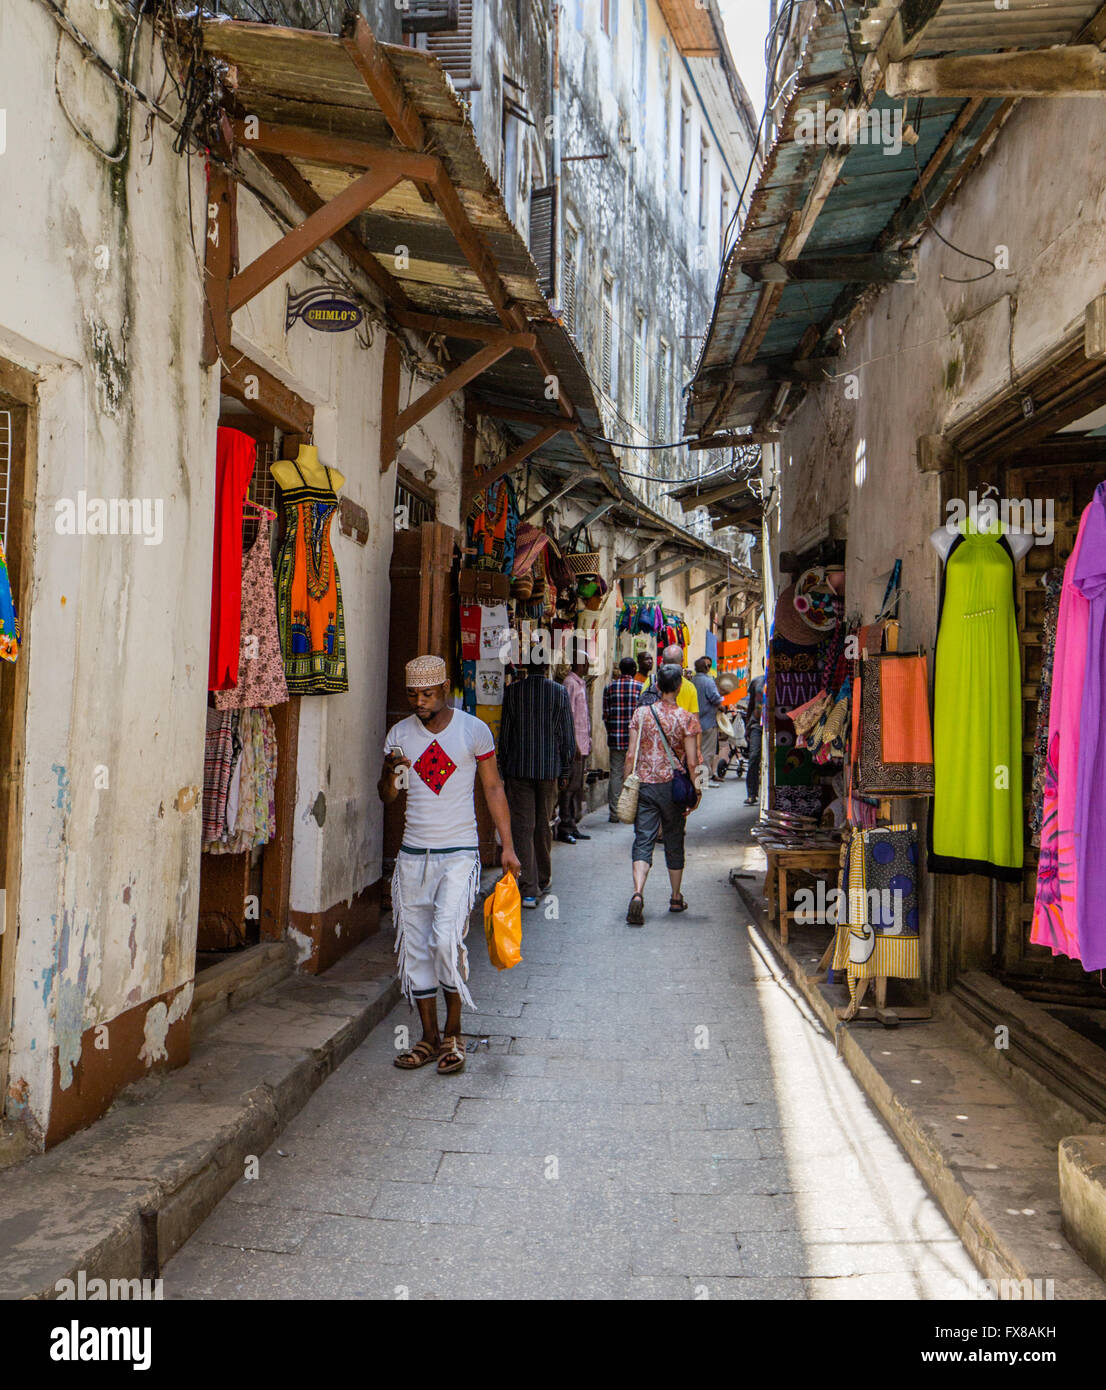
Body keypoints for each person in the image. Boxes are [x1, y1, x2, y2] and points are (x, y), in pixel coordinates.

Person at [379, 655, 521, 1076]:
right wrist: (389, 773)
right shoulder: (400, 735)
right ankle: (428, 1036)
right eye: (412, 695)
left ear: (444, 689)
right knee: (416, 947)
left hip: (459, 854)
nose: (419, 702)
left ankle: (454, 1032)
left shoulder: (473, 730)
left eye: (427, 694)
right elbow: (389, 796)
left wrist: (508, 846)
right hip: (412, 857)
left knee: (445, 940)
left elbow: (493, 787)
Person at [624, 664, 704, 925]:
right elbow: (692, 762)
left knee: (643, 839)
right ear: (679, 687)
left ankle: (638, 892)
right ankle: (676, 897)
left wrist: (628, 783)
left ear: (657, 686)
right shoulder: (687, 719)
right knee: (674, 838)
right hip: (674, 788)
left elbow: (630, 754)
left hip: (646, 784)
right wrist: (697, 790)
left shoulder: (641, 714)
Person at [497, 657, 576, 907]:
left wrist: (502, 768)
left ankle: (529, 889)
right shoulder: (558, 692)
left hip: (518, 769)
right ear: (546, 667)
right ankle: (543, 878)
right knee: (543, 824)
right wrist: (565, 770)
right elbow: (567, 735)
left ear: (526, 666)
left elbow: (506, 734)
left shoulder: (513, 692)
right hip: (549, 770)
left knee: (523, 827)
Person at [558, 659, 592, 844]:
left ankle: (572, 825)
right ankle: (564, 826)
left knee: (576, 786)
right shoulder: (570, 683)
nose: (588, 666)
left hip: (582, 743)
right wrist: (574, 744)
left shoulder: (581, 683)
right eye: (585, 663)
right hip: (575, 746)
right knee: (569, 787)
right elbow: (568, 715)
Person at [602, 657, 640, 822]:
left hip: (615, 739)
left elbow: (606, 715)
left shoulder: (609, 688)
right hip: (634, 741)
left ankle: (614, 813)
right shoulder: (640, 688)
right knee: (634, 774)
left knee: (616, 774)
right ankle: (631, 811)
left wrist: (612, 731)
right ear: (634, 670)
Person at [692, 656, 724, 785]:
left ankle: (698, 778)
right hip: (707, 722)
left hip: (695, 721)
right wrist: (722, 704)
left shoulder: (692, 680)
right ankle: (705, 779)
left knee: (697, 750)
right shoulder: (708, 681)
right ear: (706, 668)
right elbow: (715, 699)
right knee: (706, 752)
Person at [744, 672, 765, 807]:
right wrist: (748, 726)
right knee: (754, 756)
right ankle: (752, 793)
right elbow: (751, 705)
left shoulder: (780, 680)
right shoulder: (757, 682)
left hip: (774, 724)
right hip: (756, 724)